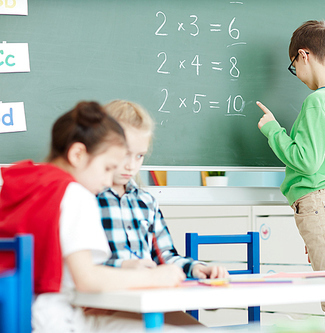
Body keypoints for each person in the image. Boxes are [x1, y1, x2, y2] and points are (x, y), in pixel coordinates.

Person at [0, 101, 186, 332]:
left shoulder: (25, 182)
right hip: (55, 321)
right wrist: (157, 278)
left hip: (15, 317)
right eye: (108, 168)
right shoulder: (75, 194)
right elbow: (88, 280)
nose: (109, 181)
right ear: (78, 154)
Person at [256, 20, 325, 318]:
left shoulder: (317, 102)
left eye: (293, 67)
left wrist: (273, 130)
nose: (297, 75)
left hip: (318, 203)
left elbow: (305, 160)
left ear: (304, 55)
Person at [97, 100, 229, 278]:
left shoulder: (146, 202)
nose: (131, 165)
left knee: (180, 307)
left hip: (145, 296)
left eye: (139, 156)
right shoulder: (87, 198)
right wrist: (122, 266)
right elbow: (77, 265)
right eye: (125, 154)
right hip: (103, 296)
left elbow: (165, 256)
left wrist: (195, 268)